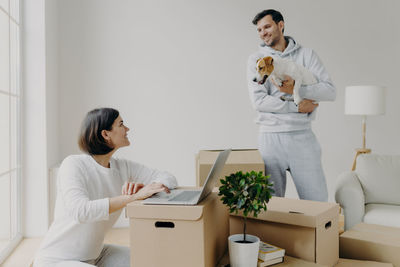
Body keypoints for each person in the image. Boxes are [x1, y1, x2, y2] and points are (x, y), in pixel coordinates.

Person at [33, 108, 177, 267]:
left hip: (96, 254)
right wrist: (133, 197)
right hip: (57, 260)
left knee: (149, 261)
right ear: (105, 134)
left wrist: (148, 187)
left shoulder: (122, 167)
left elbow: (168, 177)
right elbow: (80, 211)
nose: (127, 129)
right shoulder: (73, 164)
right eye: (121, 124)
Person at [247, 9, 336, 201]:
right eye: (259, 29)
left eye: (267, 26)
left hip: (302, 137)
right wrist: (297, 106)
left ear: (281, 25)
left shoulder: (307, 55)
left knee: (317, 203)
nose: (263, 32)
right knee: (270, 207)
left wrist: (296, 89)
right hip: (270, 139)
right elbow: (259, 101)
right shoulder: (256, 60)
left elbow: (329, 91)